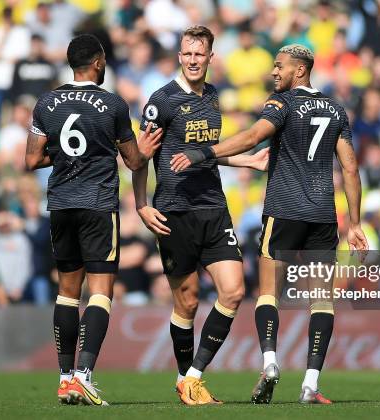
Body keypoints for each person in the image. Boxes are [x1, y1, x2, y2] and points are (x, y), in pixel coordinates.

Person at [170, 44, 368, 404]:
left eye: (280, 67)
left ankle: (271, 362)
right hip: (324, 215)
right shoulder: (336, 109)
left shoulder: (282, 104)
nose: (274, 72)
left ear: (300, 70)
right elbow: (351, 168)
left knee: (267, 293)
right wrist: (354, 222)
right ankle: (310, 384)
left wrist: (203, 153)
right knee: (322, 302)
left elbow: (252, 136)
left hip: (284, 210)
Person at [133, 25, 268, 405]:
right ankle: (184, 379)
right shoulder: (162, 101)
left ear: (211, 57)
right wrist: (142, 204)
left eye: (200, 54)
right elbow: (142, 156)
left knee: (234, 290)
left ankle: (193, 376)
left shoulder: (213, 95)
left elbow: (206, 149)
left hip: (213, 207)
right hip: (174, 211)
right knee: (188, 302)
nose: (193, 60)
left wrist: (248, 160)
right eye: (187, 54)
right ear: (180, 56)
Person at [25, 34, 161, 406]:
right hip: (98, 205)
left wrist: (66, 156)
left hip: (61, 204)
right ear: (98, 62)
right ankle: (84, 374)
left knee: (67, 293)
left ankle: (65, 378)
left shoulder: (46, 102)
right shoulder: (111, 104)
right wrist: (143, 150)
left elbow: (32, 161)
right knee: (100, 291)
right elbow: (133, 162)